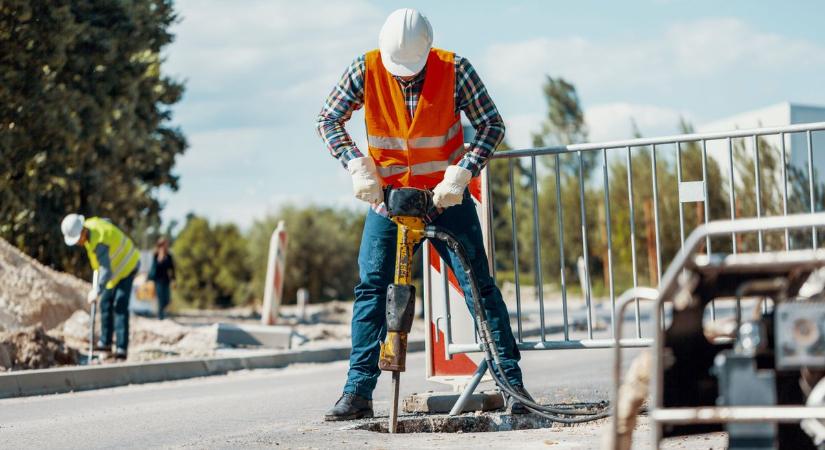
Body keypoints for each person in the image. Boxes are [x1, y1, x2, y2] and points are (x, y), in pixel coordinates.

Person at [316, 8, 532, 421]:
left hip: (445, 199)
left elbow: (491, 125)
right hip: (390, 201)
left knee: (479, 289)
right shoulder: (366, 68)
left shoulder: (456, 69)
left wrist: (464, 171)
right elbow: (328, 119)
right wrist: (355, 163)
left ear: (427, 51)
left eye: (410, 70)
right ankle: (358, 392)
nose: (402, 77)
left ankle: (511, 385)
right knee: (372, 290)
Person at [61, 214, 140, 360]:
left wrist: (97, 289)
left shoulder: (99, 241)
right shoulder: (90, 227)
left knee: (120, 304)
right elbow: (108, 222)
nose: (78, 243)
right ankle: (106, 343)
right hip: (115, 273)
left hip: (127, 266)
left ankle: (122, 348)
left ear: (82, 231)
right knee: (105, 303)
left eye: (77, 239)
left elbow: (106, 269)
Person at [149, 237, 175, 320]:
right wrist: (159, 260)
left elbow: (172, 268)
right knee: (160, 299)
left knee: (167, 299)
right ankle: (160, 317)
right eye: (163, 245)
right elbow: (153, 268)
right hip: (158, 280)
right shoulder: (156, 255)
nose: (165, 246)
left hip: (166, 280)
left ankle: (162, 313)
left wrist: (174, 279)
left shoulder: (169, 256)